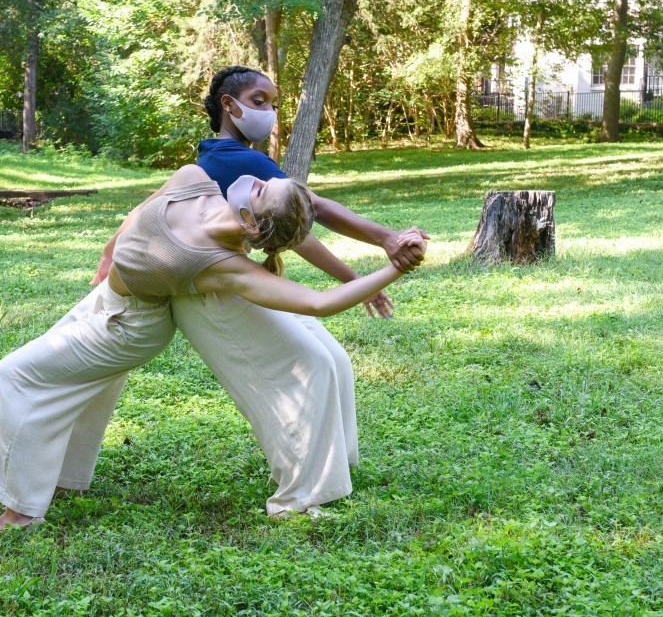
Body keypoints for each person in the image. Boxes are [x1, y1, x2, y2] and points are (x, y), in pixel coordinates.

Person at [0, 163, 425, 536]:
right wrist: (109, 251)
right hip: (103, 300)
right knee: (68, 386)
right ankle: (55, 482)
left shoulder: (221, 265)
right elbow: (141, 210)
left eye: (265, 189)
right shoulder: (192, 181)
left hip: (129, 325)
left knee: (13, 376)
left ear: (252, 221)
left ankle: (20, 515)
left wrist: (393, 268)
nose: (259, 179)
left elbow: (319, 303)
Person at [92, 66, 430, 517]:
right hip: (211, 289)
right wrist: (384, 242)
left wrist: (109, 248)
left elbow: (289, 226)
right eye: (258, 101)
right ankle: (300, 494)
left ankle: (335, 468)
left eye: (273, 104)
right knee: (308, 365)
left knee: (331, 360)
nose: (269, 112)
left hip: (225, 278)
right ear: (228, 106)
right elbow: (313, 213)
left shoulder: (218, 154)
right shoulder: (238, 160)